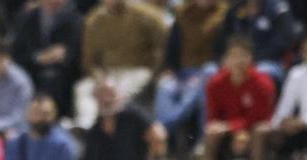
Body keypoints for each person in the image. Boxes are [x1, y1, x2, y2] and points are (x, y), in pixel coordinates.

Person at [198, 37, 275, 160]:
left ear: (251, 58)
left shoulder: (262, 82)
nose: (238, 61)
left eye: (243, 55)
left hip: (257, 129)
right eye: (233, 56)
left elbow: (261, 116)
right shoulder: (215, 83)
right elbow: (213, 116)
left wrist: (236, 129)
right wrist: (229, 129)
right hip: (229, 130)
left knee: (259, 132)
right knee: (210, 134)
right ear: (225, 59)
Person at [75, 0, 167, 129]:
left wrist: (155, 70)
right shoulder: (94, 20)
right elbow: (90, 60)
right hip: (107, 73)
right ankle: (86, 128)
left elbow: (163, 45)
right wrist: (100, 80)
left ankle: (119, 128)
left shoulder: (146, 15)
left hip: (138, 69)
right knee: (83, 89)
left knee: (120, 92)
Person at [155, 0, 227, 148]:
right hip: (182, 72)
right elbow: (172, 48)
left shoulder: (223, 14)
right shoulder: (182, 15)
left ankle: (201, 139)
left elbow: (222, 51)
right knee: (165, 85)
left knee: (199, 84)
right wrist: (169, 69)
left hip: (208, 71)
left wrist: (200, 75)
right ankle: (162, 135)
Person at [12, 0, 83, 117]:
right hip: (32, 74)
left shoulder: (76, 19)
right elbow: (17, 54)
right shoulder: (27, 19)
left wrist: (63, 57)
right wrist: (39, 58)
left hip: (65, 76)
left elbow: (78, 54)